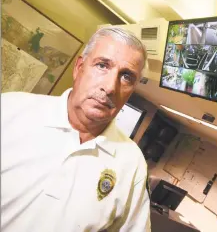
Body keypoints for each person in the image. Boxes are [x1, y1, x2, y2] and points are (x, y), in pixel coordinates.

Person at [1, 27, 151, 232]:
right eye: (102, 65)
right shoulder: (9, 110)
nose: (110, 87)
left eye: (126, 77)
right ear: (79, 67)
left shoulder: (133, 164)